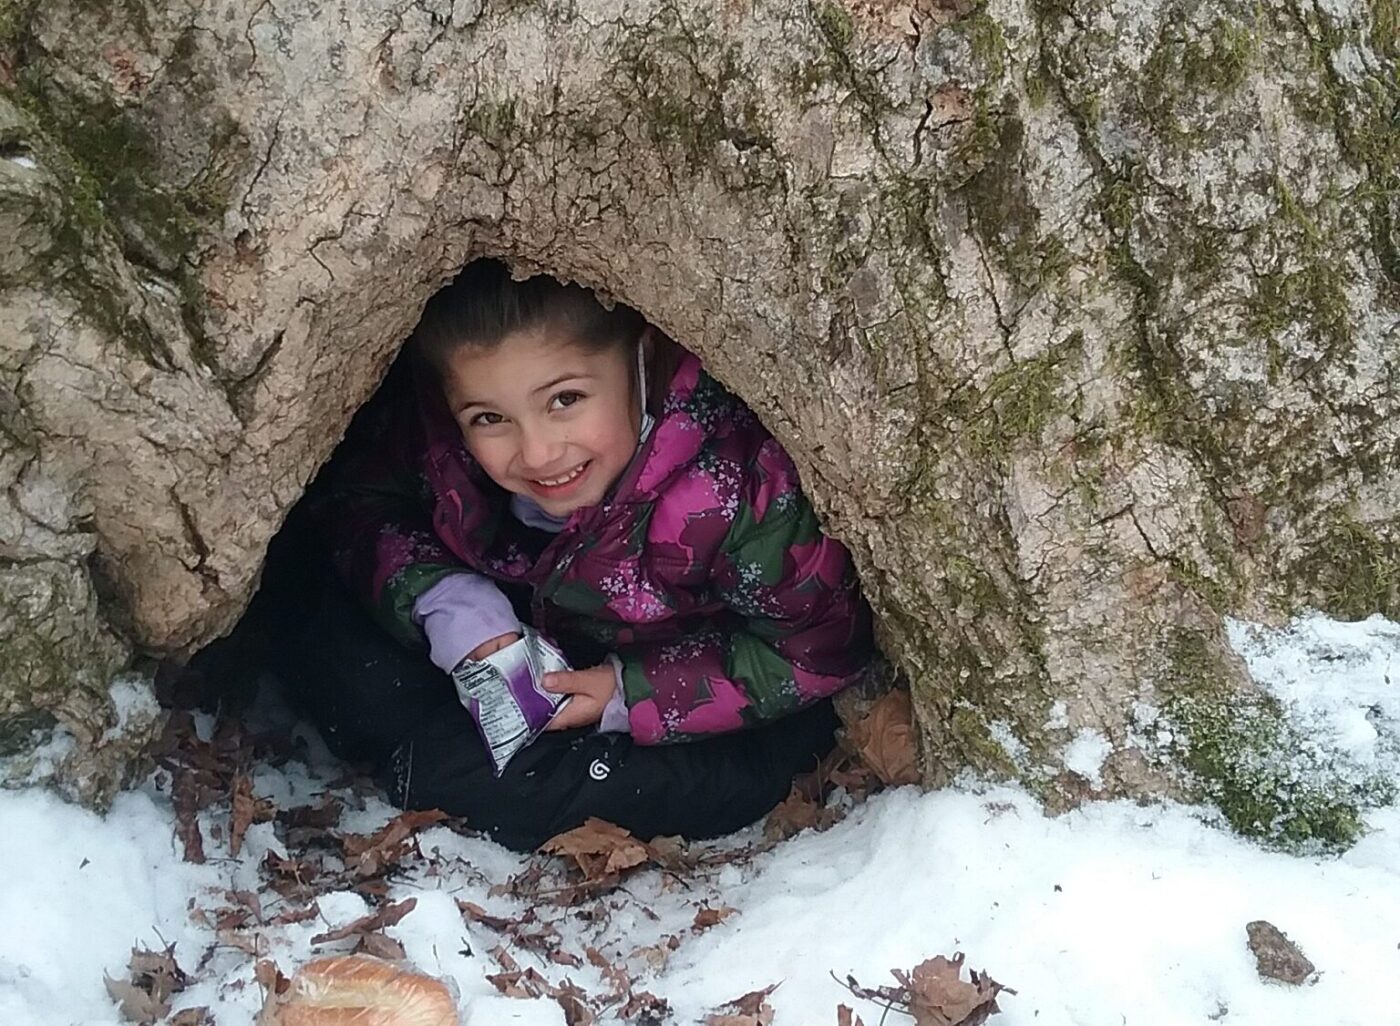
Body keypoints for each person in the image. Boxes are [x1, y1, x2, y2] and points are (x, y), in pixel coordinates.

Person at [268, 259, 875, 851]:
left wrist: (626, 692)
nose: (536, 453)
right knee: (324, 627)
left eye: (564, 400)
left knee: (712, 778)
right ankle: (431, 753)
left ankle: (431, 762)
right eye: (490, 417)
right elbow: (358, 501)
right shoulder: (446, 446)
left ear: (644, 358)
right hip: (535, 643)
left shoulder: (736, 491)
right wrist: (449, 600)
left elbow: (818, 650)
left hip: (681, 693)